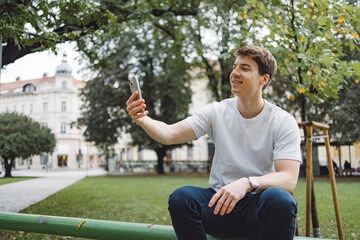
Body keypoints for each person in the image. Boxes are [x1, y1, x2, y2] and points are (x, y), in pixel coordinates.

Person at [126, 46, 301, 240]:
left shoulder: (282, 121)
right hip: (219, 206)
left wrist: (247, 183)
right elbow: (169, 134)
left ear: (264, 79)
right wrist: (142, 119)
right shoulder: (217, 111)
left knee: (280, 199)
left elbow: (288, 179)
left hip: (257, 210)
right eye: (234, 67)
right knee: (182, 198)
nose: (235, 73)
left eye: (245, 68)